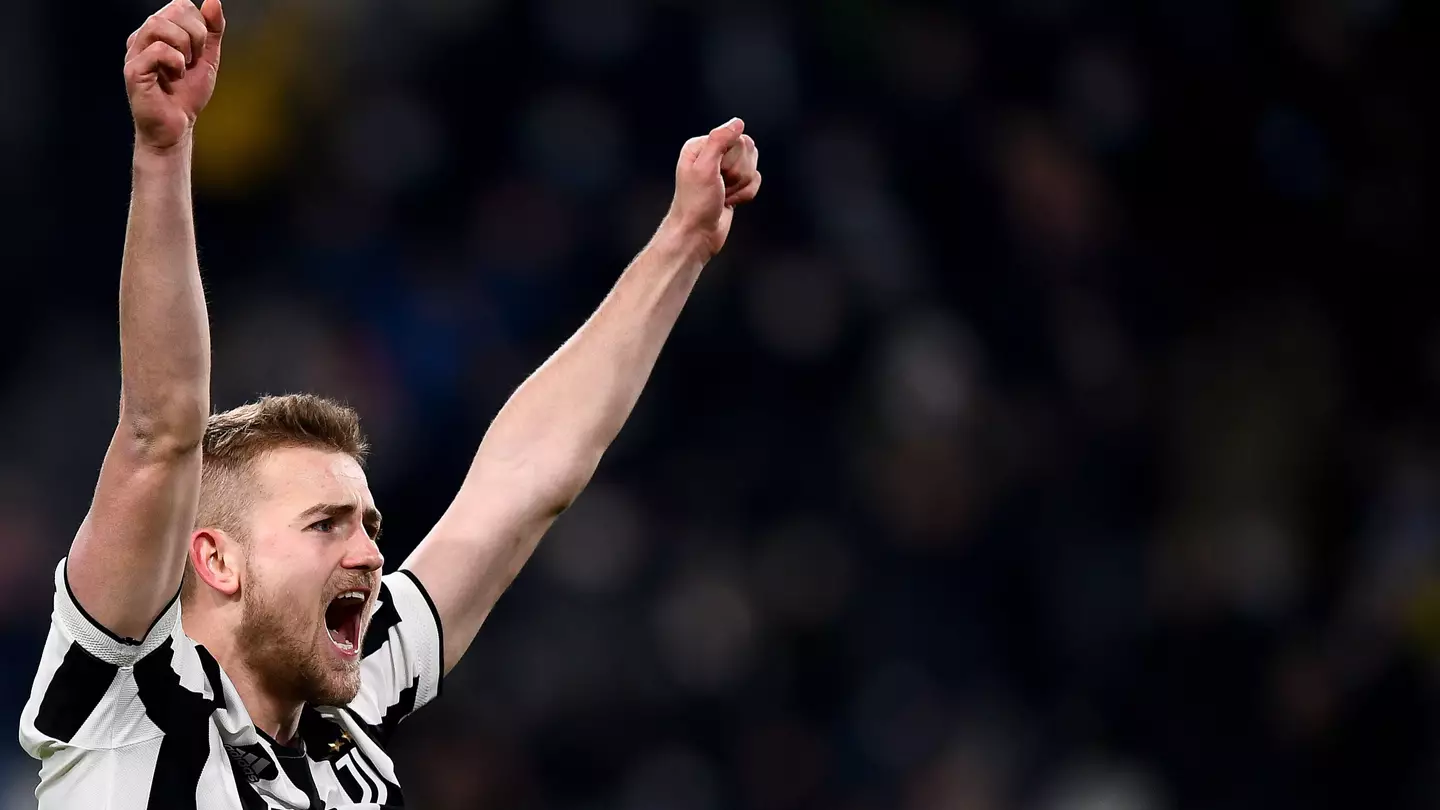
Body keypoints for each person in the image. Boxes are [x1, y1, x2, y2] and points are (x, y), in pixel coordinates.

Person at [17, 0, 762, 806]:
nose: (371, 554)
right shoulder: (124, 695)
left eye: (367, 524)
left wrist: (681, 243)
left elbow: (522, 481)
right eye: (325, 524)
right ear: (217, 560)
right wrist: (163, 154)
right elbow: (161, 431)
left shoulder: (351, 704)